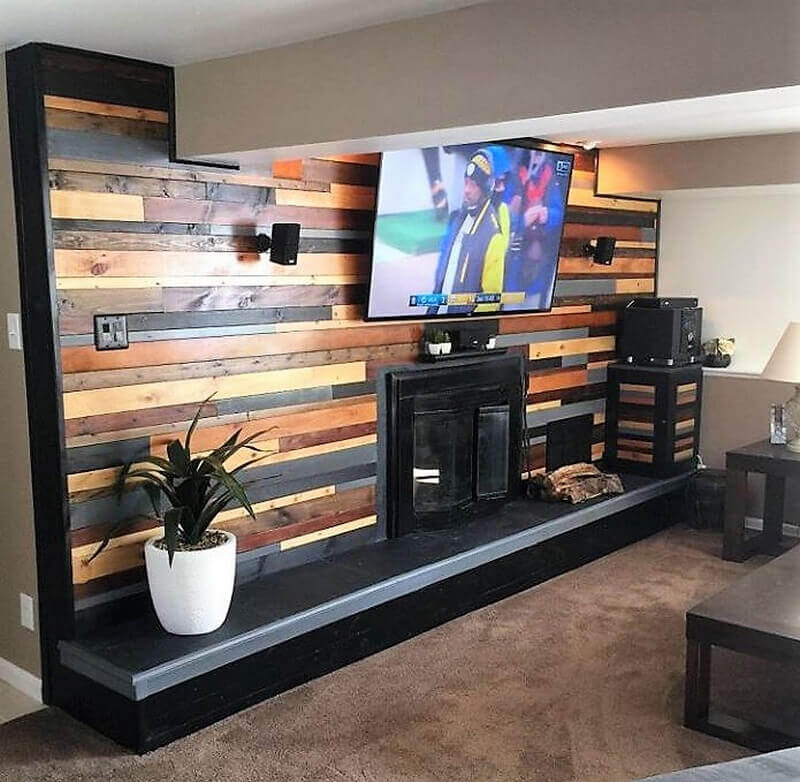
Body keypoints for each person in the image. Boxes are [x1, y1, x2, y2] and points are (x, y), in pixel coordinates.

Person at [430, 148, 505, 315]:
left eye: (473, 185)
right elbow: (442, 271)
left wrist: (465, 324)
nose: (467, 190)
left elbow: (491, 300)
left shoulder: (493, 236)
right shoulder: (457, 218)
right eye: (466, 182)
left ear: (485, 188)